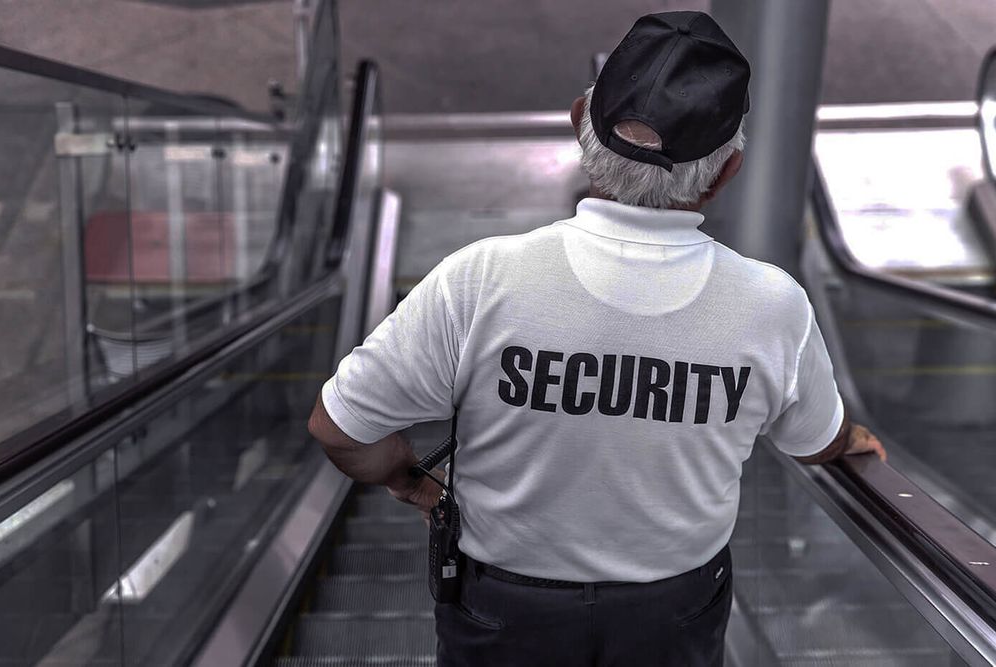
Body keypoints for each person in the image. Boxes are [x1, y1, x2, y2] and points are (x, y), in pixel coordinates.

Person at [307, 9, 885, 667]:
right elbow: (815, 441)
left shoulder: (482, 277)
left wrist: (409, 480)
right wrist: (850, 440)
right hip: (673, 612)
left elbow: (338, 428)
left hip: (504, 607)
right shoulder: (772, 306)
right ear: (727, 172)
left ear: (580, 119)